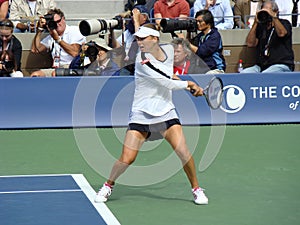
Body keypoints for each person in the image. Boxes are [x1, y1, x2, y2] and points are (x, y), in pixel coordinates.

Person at [94, 23, 209, 205]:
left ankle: (196, 189)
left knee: (183, 152)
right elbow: (165, 83)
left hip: (166, 112)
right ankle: (108, 185)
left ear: (155, 39)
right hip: (142, 113)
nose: (138, 41)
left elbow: (169, 74)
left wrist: (189, 85)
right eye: (137, 38)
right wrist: (190, 85)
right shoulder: (142, 60)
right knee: (127, 158)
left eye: (143, 38)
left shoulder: (168, 53)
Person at [241, 0, 294, 73]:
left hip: (281, 64)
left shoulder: (285, 23)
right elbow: (250, 44)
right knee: (244, 73)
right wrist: (255, 23)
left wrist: (273, 17)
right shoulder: (261, 27)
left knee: (266, 74)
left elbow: (281, 33)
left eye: (268, 10)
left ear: (275, 12)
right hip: (262, 66)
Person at [30, 8, 86, 77]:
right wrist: (39, 30)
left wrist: (58, 40)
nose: (57, 24)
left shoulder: (74, 31)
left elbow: (74, 53)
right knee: (35, 75)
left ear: (63, 19)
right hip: (56, 68)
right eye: (54, 23)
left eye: (58, 21)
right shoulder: (51, 35)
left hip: (71, 67)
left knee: (56, 74)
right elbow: (35, 50)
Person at [110, 4, 150, 75]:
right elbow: (117, 46)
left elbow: (140, 40)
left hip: (142, 65)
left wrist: (136, 21)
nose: (133, 17)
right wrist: (111, 31)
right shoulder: (129, 31)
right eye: (133, 15)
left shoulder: (148, 30)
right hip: (128, 65)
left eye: (136, 15)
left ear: (144, 17)